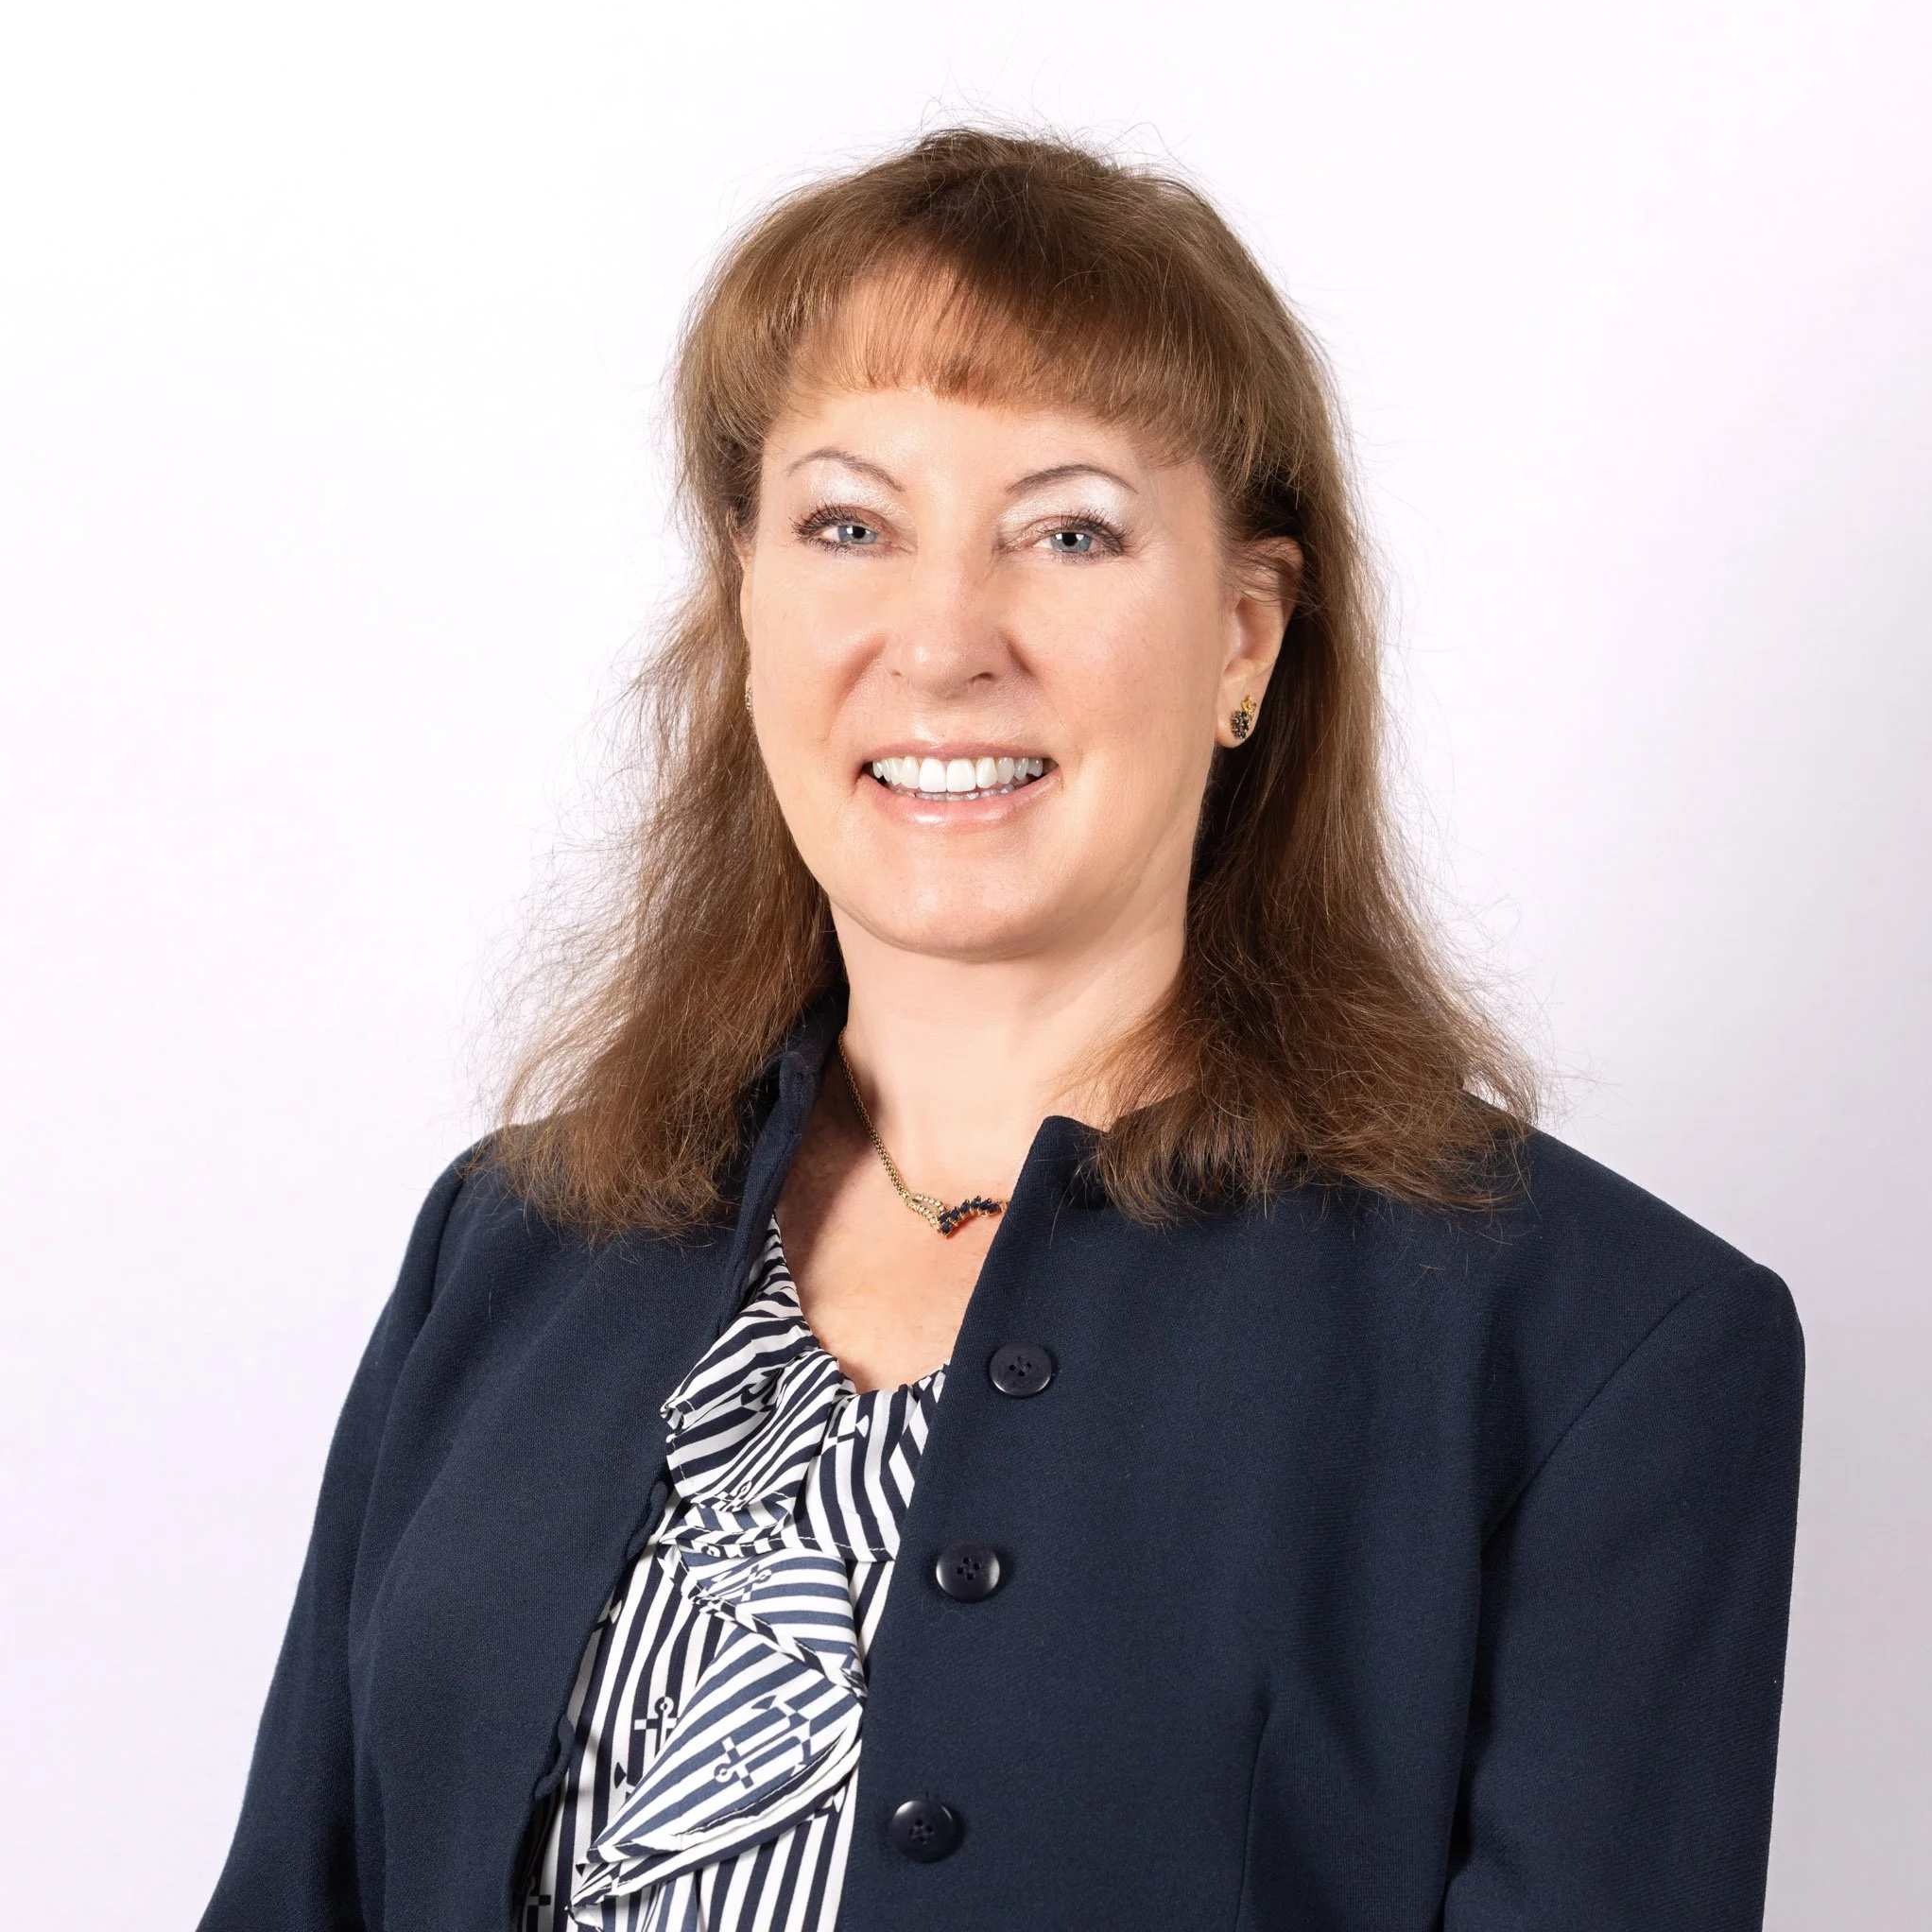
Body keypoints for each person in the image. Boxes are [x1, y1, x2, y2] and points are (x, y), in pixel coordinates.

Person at [199, 129, 1803, 1932]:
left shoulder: (1610, 1354)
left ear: (1246, 644)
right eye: (847, 525)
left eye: (1067, 531)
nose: (943, 637)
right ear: (747, 602)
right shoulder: (508, 1245)